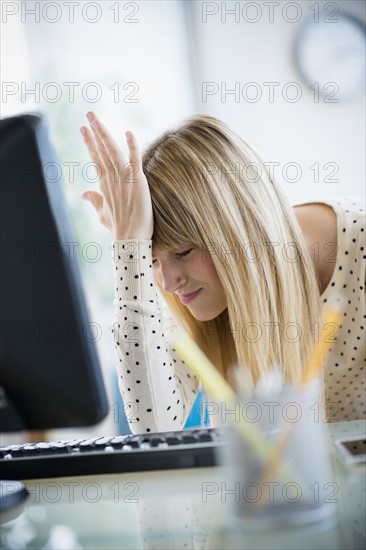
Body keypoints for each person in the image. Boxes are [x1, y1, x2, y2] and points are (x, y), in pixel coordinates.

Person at [80, 111, 365, 431]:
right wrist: (129, 246)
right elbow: (154, 428)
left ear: (240, 226)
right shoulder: (198, 299)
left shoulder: (358, 244)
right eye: (153, 262)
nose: (169, 283)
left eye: (184, 251)